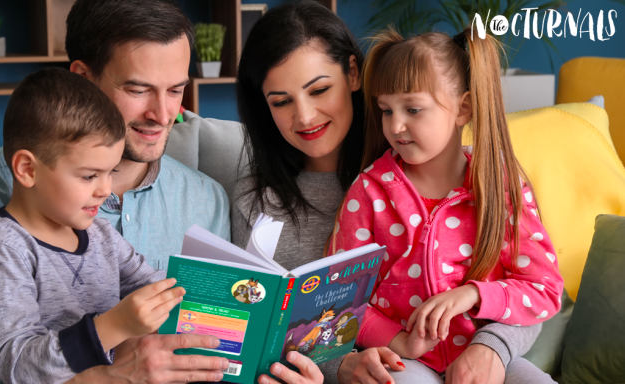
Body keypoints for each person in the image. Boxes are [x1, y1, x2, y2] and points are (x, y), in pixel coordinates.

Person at [0, 1, 230, 383]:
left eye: (176, 90)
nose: (162, 113)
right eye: (138, 89)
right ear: (83, 78)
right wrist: (101, 376)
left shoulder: (206, 198)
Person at [233, 2, 547, 384]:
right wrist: (342, 364)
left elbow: (537, 291)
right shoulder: (362, 192)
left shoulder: (485, 179)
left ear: (352, 73)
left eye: (319, 90)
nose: (304, 117)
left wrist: (491, 345)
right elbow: (254, 326)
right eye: (281, 101)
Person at [328, 27, 564, 383]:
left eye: (413, 108)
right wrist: (400, 342)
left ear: (463, 108)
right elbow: (339, 300)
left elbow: (542, 289)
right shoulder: (369, 192)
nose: (396, 125)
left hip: (486, 354)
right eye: (386, 110)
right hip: (406, 362)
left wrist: (473, 294)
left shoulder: (501, 184)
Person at [0, 68, 184, 383]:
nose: (104, 190)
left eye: (110, 172)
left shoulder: (99, 234)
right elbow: (18, 364)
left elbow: (158, 288)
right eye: (89, 175)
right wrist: (114, 325)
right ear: (27, 169)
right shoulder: (2, 249)